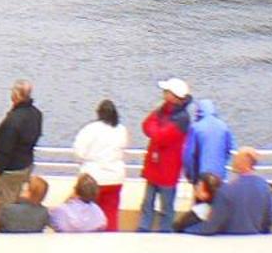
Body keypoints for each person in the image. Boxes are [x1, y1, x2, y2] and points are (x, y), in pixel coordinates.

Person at [138, 79, 192, 233]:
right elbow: (146, 125)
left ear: (174, 96)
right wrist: (156, 130)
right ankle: (144, 228)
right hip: (156, 168)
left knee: (167, 207)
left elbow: (159, 136)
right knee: (147, 203)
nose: (163, 93)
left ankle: (165, 232)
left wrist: (155, 129)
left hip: (167, 170)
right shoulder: (164, 110)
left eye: (166, 91)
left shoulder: (182, 119)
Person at [183, 148, 272, 236]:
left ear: (243, 162)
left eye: (236, 158)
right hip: (254, 239)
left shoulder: (227, 190)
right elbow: (268, 221)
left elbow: (212, 226)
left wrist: (185, 229)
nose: (233, 162)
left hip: (230, 241)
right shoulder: (265, 187)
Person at [0, 79, 43, 228]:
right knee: (20, 203)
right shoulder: (36, 114)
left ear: (16, 96)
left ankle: (2, 235)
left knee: (3, 209)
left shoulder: (12, 121)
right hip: (26, 165)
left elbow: (4, 149)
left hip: (9, 171)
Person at [72, 98, 128, 230]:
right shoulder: (121, 129)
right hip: (115, 178)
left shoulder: (90, 129)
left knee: (88, 215)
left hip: (93, 179)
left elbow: (79, 152)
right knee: (111, 214)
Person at [183, 98, 234, 186]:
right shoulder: (223, 126)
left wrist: (189, 174)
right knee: (218, 198)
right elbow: (231, 149)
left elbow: (189, 155)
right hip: (219, 174)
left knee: (201, 197)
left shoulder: (196, 127)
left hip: (202, 174)